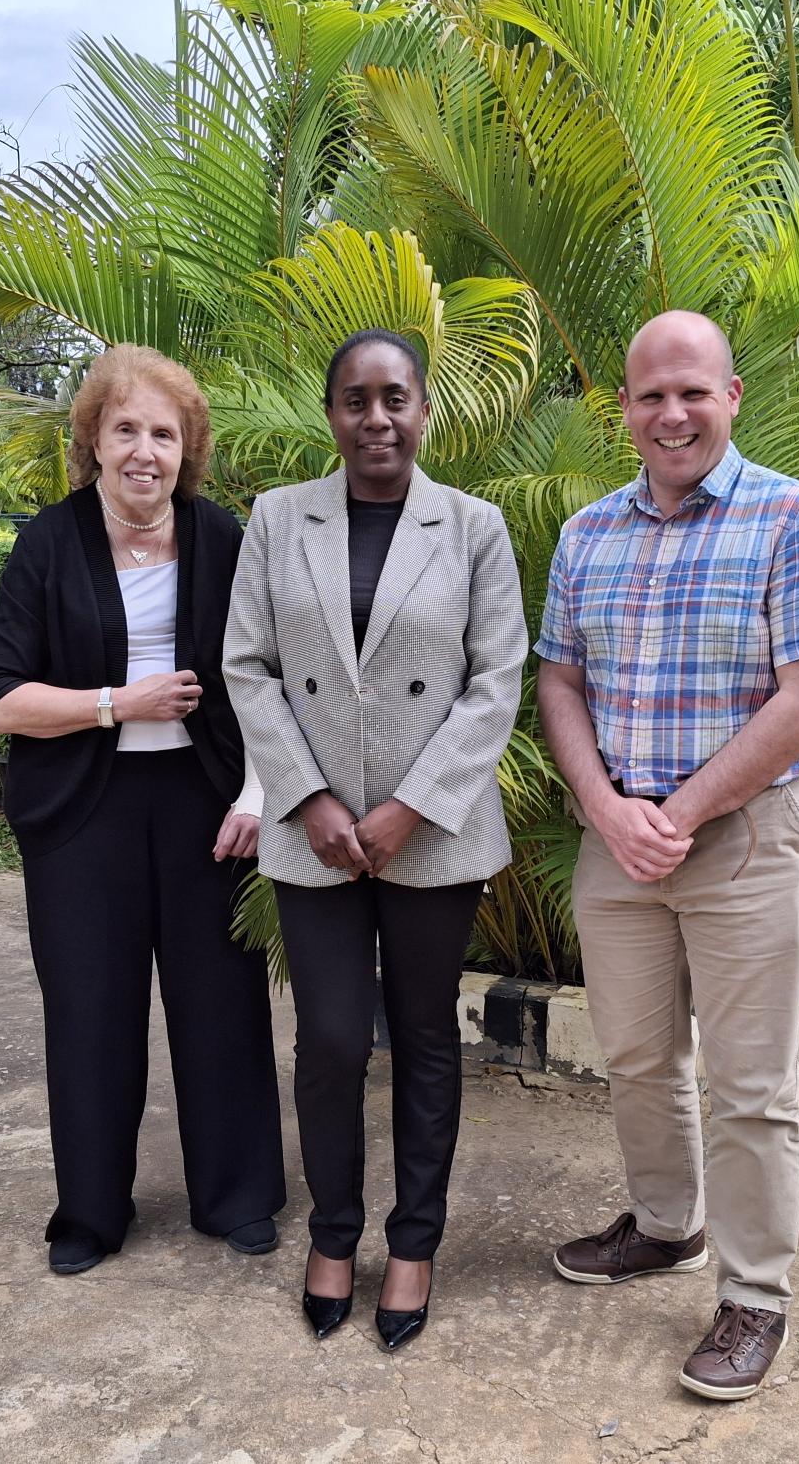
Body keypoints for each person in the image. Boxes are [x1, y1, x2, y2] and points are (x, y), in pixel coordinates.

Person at [535, 310, 799, 1401]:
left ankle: (755, 1295)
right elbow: (560, 682)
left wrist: (677, 809)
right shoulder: (586, 534)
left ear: (730, 397)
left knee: (752, 1084)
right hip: (616, 844)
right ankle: (669, 1227)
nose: (670, 413)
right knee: (634, 1059)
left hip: (746, 842)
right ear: (623, 409)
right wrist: (603, 802)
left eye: (692, 392)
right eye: (649, 396)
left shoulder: (794, 519)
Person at [223, 328, 527, 1351]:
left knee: (427, 1038)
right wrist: (305, 797)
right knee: (334, 1042)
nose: (377, 419)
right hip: (317, 833)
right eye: (356, 400)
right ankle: (334, 1232)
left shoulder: (474, 527)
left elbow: (497, 683)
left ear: (425, 409)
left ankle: (413, 1245)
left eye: (395, 398)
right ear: (332, 415)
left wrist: (410, 806)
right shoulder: (276, 520)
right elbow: (249, 667)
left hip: (429, 835)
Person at [0, 343, 285, 1277]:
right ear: (94, 443)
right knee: (89, 1010)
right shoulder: (48, 543)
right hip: (82, 815)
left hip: (206, 806)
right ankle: (91, 1214)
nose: (145, 451)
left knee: (221, 1005)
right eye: (126, 431)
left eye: (164, 433)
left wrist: (261, 796)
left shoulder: (223, 539)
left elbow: (270, 679)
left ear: (188, 448)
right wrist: (118, 703)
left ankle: (236, 1196)